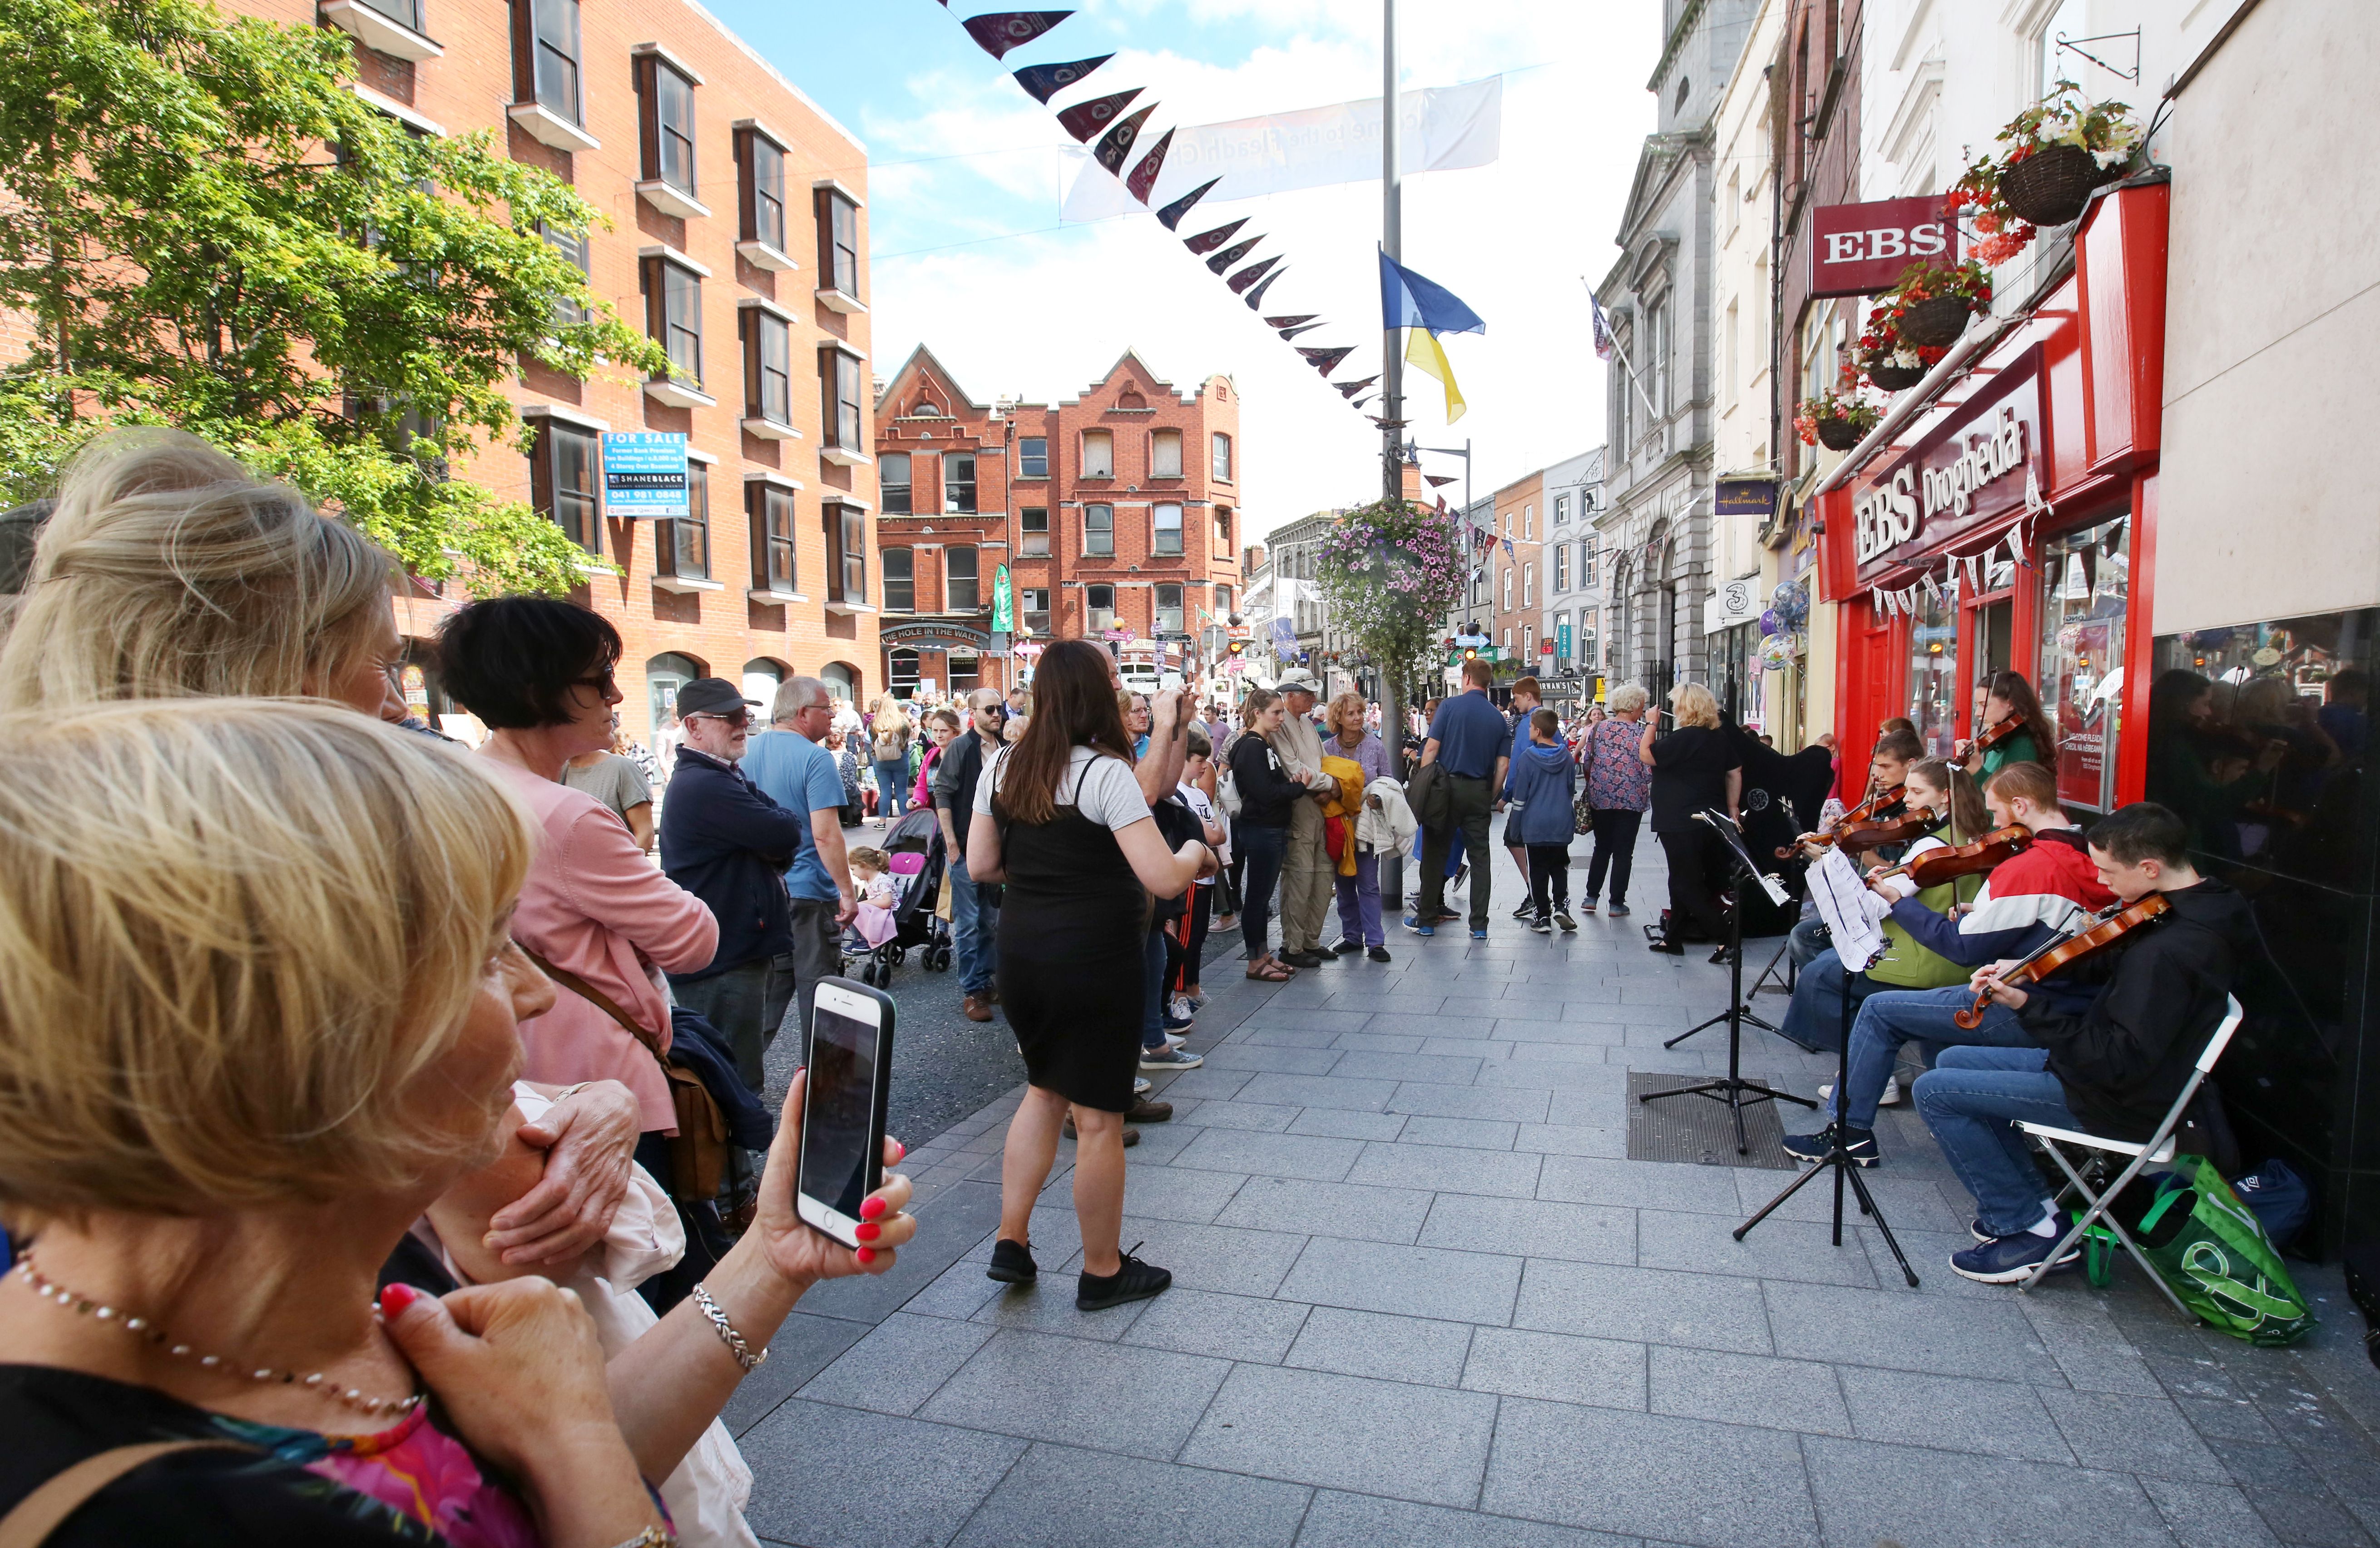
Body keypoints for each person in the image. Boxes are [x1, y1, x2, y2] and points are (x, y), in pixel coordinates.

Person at [0, 700, 917, 1545]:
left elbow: (527, 1470)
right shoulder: (149, 1512)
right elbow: (571, 1462)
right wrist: (572, 1449)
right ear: (288, 1028)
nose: (530, 993)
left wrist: (769, 1255)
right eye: (486, 953)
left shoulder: (339, 1259)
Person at [0, 432, 644, 1282]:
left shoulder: (84, 889)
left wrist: (588, 1102)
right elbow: (518, 1237)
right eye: (382, 663)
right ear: (271, 675)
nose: (395, 699)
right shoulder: (289, 915)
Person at [967, 640, 1212, 1310]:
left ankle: (1010, 1241)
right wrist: (1195, 848)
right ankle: (1102, 1270)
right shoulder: (1102, 774)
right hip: (1094, 958)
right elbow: (1162, 875)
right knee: (1100, 1118)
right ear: (1093, 697)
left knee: (1043, 1091)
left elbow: (981, 867)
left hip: (1023, 953)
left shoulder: (1004, 766)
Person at [1915, 802, 2252, 1281]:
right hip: (2123, 1075)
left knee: (1936, 1092)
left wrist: (2027, 1006)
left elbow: (2117, 1060)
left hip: (2120, 1098)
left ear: (2150, 868)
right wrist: (2024, 972)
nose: (2102, 882)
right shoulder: (2198, 907)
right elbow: (2105, 962)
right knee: (1952, 1056)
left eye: (2109, 871)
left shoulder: (2170, 952)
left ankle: (2028, 1228)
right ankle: (2033, 1206)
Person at [1781, 759, 2118, 1164]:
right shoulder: (2087, 855)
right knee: (1934, 1031)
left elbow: (1961, 948)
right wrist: (1984, 914)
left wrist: (1896, 902)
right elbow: (2053, 923)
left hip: (2029, 1006)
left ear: (2022, 806)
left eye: (1997, 812)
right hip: (2069, 1001)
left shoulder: (2032, 867)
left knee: (1878, 1011)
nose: (1994, 824)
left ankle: (1848, 1132)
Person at [739, 677, 859, 1052]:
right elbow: (826, 835)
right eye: (827, 709)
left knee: (769, 995)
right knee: (819, 993)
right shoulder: (816, 758)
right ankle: (818, 1088)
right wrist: (847, 891)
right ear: (804, 713)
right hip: (808, 892)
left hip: (764, 893)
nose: (832, 716)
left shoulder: (745, 752)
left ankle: (739, 1085)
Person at [1405, 658, 1510, 939]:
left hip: (1445, 790)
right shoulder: (1497, 718)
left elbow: (1431, 750)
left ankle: (1426, 919)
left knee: (1435, 852)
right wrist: (1490, 794)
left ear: (1466, 679)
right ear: (1487, 683)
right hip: (1479, 791)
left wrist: (1424, 783)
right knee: (1480, 858)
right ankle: (1478, 926)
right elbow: (1503, 766)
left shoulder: (1449, 707)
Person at [1641, 682, 1742, 954]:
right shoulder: (1719, 738)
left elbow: (1646, 755)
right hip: (1710, 818)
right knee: (1683, 879)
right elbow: (1735, 772)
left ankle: (1725, 937)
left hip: (1680, 819)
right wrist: (1733, 808)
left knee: (1685, 884)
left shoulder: (1682, 738)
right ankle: (1673, 939)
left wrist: (1651, 724)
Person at [930, 688, 1009, 1022]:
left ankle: (988, 981)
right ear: (973, 713)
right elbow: (943, 793)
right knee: (967, 921)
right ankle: (972, 990)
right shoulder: (961, 748)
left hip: (997, 847)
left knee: (991, 921)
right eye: (990, 709)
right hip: (964, 846)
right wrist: (950, 841)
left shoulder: (1005, 749)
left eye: (1000, 709)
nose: (997, 715)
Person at [1229, 688, 1308, 981]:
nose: (1280, 718)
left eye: (1281, 713)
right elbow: (1265, 793)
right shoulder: (1252, 746)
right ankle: (1254, 961)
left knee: (1261, 898)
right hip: (1261, 828)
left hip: (1268, 827)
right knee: (1258, 897)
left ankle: (1262, 954)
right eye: (1275, 713)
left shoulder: (1261, 744)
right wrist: (1298, 787)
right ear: (1257, 714)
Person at [1266, 669, 1338, 967]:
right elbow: (1294, 769)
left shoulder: (1307, 722)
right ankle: (1292, 946)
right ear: (1290, 695)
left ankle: (1311, 940)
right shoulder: (1281, 724)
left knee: (1322, 875)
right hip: (1300, 807)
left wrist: (1329, 784)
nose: (1312, 698)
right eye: (1307, 693)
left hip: (1318, 805)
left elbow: (1322, 761)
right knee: (1299, 876)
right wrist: (1329, 785)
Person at [1321, 691, 1390, 958]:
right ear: (1338, 717)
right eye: (1351, 713)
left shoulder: (1375, 746)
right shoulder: (1328, 749)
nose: (1357, 718)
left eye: (1360, 712)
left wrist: (1378, 796)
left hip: (1368, 825)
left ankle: (1375, 941)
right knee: (1344, 882)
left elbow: (1389, 782)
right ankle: (1351, 936)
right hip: (1339, 826)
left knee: (1369, 883)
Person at [1577, 682, 1653, 917]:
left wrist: (1597, 783)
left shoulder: (1598, 730)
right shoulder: (1641, 733)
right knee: (1623, 852)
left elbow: (1587, 761)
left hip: (1602, 797)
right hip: (1631, 799)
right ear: (1635, 707)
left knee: (1602, 848)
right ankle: (1616, 903)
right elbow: (1648, 770)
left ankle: (1591, 897)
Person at [1505, 706, 1581, 933]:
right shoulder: (1566, 757)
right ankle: (1561, 906)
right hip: (1560, 821)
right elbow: (1570, 789)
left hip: (1535, 823)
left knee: (1537, 869)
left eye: (1530, 726)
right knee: (1560, 865)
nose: (1528, 729)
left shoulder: (1528, 758)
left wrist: (1516, 826)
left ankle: (1543, 916)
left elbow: (1521, 797)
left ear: (1537, 731)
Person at [1172, 725, 1231, 1004]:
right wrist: (1211, 831)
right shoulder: (1178, 794)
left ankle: (1193, 987)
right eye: (1199, 762)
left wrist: (1211, 831)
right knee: (1185, 936)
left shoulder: (1198, 795)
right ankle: (1180, 992)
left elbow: (1219, 833)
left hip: (1207, 875)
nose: (1205, 768)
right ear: (1183, 759)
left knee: (1198, 936)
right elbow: (1207, 833)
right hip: (1193, 875)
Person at [564, 719, 657, 853]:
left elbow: (645, 833)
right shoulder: (558, 772)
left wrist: (623, 871)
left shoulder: (622, 769)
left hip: (614, 870)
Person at [1497, 675, 1545, 918]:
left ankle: (1535, 892)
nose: (1514, 703)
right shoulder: (1548, 721)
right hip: (1546, 796)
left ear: (1528, 696)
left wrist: (1506, 795)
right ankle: (1540, 894)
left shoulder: (1530, 723)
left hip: (1527, 797)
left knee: (1514, 839)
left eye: (1516, 698)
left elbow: (1518, 763)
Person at [1959, 669, 2058, 779]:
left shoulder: (2023, 746)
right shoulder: (2000, 739)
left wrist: (1976, 770)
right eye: (1977, 705)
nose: (1977, 713)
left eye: (1985, 705)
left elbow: (2008, 795)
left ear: (2010, 704)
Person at [868, 698, 912, 821]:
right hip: (900, 757)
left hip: (880, 759)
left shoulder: (874, 723)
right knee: (901, 791)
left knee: (885, 791)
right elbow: (907, 739)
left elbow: (872, 742)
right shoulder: (903, 721)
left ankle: (882, 821)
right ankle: (904, 820)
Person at [847, 846, 897, 951]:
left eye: (854, 869)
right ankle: (858, 939)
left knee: (859, 909)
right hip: (876, 908)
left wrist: (867, 903)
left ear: (864, 865)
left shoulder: (883, 880)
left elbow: (887, 902)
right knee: (852, 909)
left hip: (888, 909)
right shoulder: (868, 881)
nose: (853, 874)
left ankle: (867, 939)